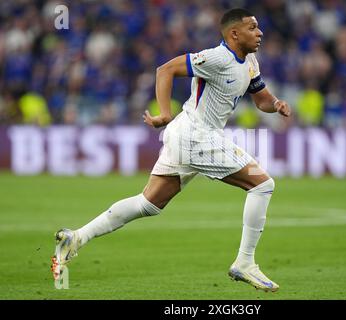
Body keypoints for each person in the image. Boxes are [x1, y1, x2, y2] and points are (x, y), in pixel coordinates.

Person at [51, 8, 291, 292]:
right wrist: (164, 112)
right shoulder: (216, 58)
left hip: (189, 136)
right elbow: (165, 69)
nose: (260, 32)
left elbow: (260, 97)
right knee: (262, 184)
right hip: (196, 135)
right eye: (252, 28)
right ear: (234, 34)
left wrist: (275, 104)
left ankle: (77, 237)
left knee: (148, 204)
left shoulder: (249, 60)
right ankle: (245, 262)